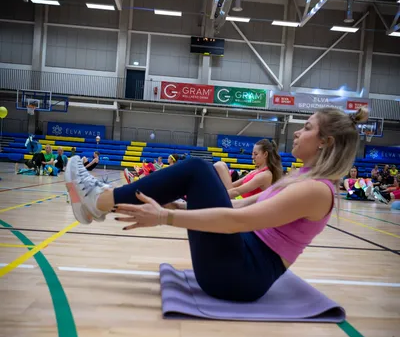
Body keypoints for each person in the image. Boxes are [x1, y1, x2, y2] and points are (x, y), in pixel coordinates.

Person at [65, 107, 368, 302]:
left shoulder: (316, 190)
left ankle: (99, 201)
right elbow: (238, 209)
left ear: (325, 142)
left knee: (199, 169)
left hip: (239, 276)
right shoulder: (300, 177)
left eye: (308, 127)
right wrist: (179, 208)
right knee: (200, 171)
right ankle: (100, 201)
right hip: (237, 262)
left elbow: (238, 222)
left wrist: (164, 218)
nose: (298, 132)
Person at [214, 139, 283, 199]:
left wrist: (218, 195)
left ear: (265, 154)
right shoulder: (254, 172)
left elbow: (237, 192)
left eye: (255, 154)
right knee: (221, 165)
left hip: (242, 204)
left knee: (220, 165)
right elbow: (232, 186)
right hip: (236, 198)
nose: (252, 157)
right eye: (252, 154)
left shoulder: (265, 175)